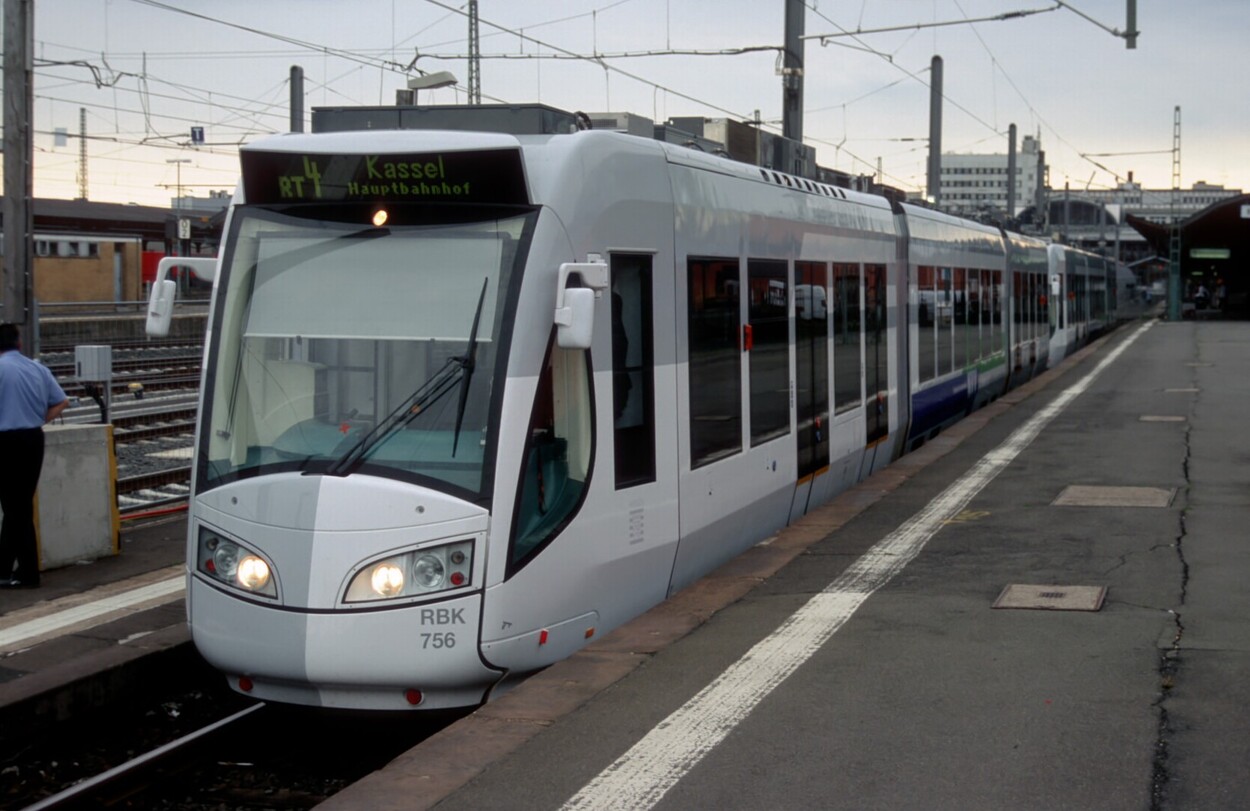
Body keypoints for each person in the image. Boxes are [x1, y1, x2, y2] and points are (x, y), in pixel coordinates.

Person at [0, 322, 69, 589]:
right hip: (32, 440)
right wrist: (40, 419)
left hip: (5, 441)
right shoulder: (37, 368)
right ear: (19, 343)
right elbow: (62, 401)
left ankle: (28, 573)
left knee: (15, 508)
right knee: (18, 505)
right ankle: (5, 568)